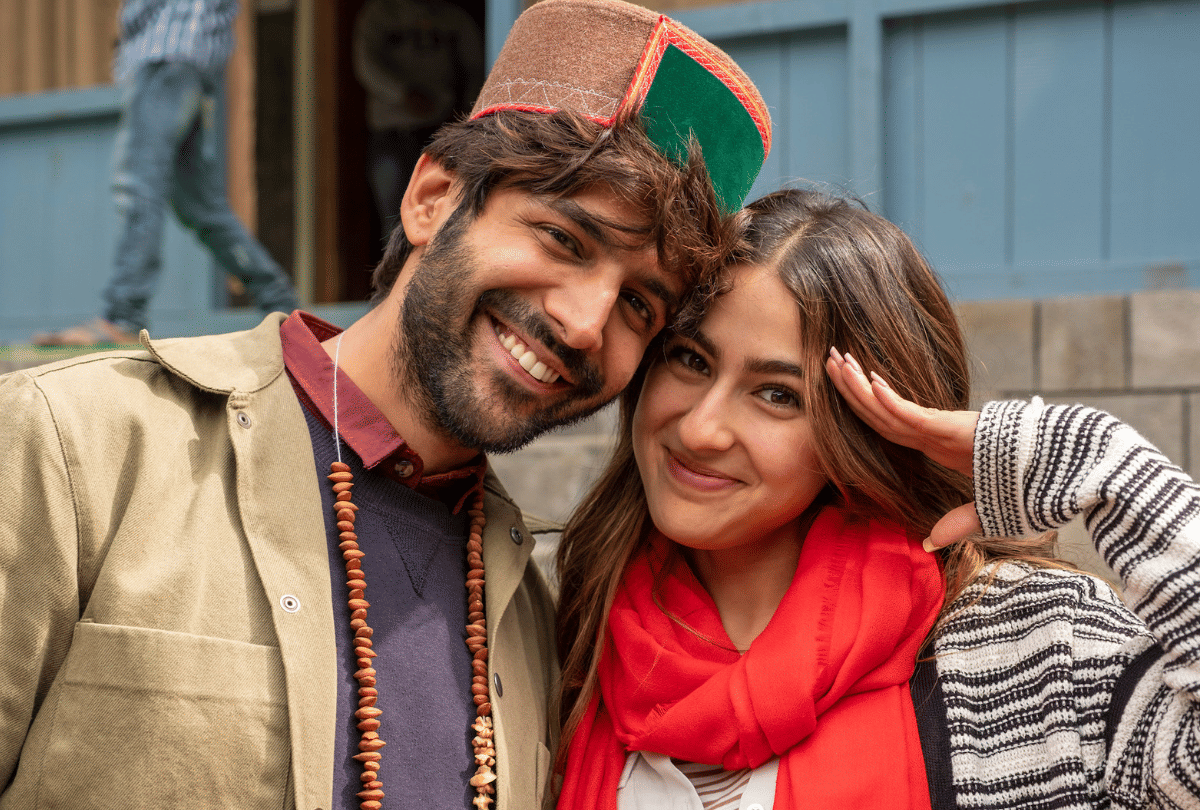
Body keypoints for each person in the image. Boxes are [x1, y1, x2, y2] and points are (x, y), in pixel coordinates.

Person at [0, 1, 772, 808]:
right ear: (432, 198)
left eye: (639, 307)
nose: (585, 323)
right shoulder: (79, 447)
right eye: (564, 240)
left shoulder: (531, 619)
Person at [554, 187, 1200, 809]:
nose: (700, 428)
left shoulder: (1033, 649)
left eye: (778, 394)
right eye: (691, 360)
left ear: (862, 429)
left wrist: (1099, 465)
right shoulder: (571, 638)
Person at [32, 0, 299, 347]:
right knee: (200, 206)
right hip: (190, 60)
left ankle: (124, 314)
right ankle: (280, 301)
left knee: (138, 187)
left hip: (168, 56)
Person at [353, 0, 485, 229]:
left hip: (444, 132)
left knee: (446, 220)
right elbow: (366, 64)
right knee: (394, 224)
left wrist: (467, 110)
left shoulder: (454, 18)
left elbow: (476, 68)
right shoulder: (380, 13)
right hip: (392, 133)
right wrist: (403, 94)